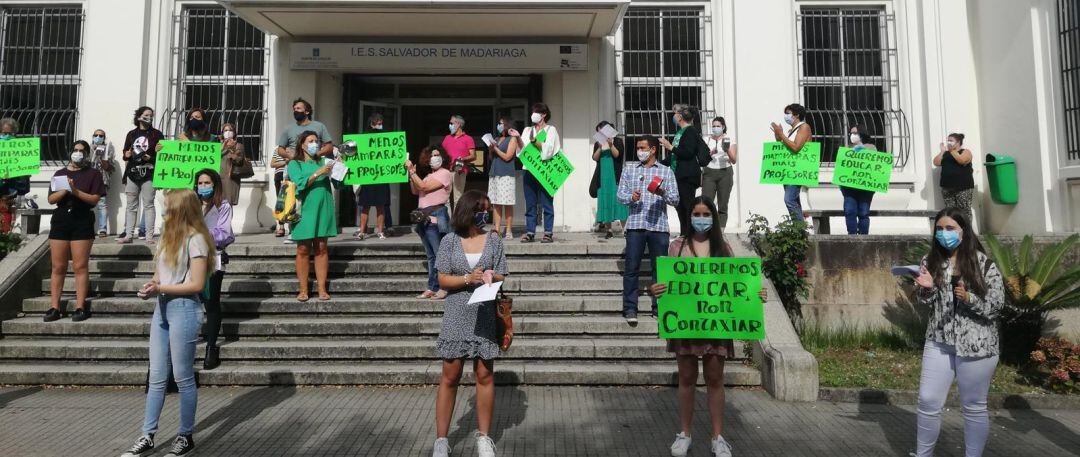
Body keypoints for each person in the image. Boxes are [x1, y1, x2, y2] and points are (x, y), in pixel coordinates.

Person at [651, 196, 767, 457]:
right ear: (689, 216)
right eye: (697, 214)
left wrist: (755, 294)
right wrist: (656, 290)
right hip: (686, 325)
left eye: (706, 214)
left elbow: (738, 285)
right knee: (686, 379)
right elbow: (668, 283)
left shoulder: (723, 248)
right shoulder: (676, 247)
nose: (701, 218)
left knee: (715, 379)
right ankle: (685, 434)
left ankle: (717, 437)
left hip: (716, 325)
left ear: (713, 217)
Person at [121, 189, 215, 457]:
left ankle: (185, 436)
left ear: (181, 209)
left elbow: (196, 284)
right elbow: (159, 275)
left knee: (183, 376)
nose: (163, 211)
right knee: (157, 376)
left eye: (168, 206)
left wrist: (160, 287)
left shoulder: (196, 240)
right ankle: (147, 435)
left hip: (184, 309)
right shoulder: (167, 237)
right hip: (162, 308)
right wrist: (151, 286)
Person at [912, 207, 1004, 457]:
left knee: (973, 406)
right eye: (940, 229)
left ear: (963, 231)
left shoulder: (984, 264)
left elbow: (996, 306)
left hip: (977, 346)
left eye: (950, 228)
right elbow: (925, 301)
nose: (944, 234)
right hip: (939, 341)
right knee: (928, 400)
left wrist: (969, 298)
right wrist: (927, 288)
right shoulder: (930, 261)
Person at [431, 190, 508, 457]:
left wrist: (490, 276)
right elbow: (442, 278)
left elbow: (502, 273)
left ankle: (484, 438)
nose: (484, 214)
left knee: (484, 375)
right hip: (456, 313)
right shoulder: (450, 240)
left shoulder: (493, 239)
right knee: (450, 376)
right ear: (467, 211)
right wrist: (467, 278)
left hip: (484, 312)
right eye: (479, 210)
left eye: (486, 209)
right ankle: (441, 440)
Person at [617, 135, 679, 324]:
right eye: (638, 148)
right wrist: (631, 197)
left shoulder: (666, 171)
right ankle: (630, 308)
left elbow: (675, 199)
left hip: (658, 226)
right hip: (635, 225)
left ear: (653, 150)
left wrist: (662, 192)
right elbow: (620, 195)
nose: (639, 151)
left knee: (659, 269)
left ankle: (659, 307)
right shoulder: (629, 169)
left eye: (642, 148)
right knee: (631, 268)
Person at [44, 140, 106, 323]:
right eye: (75, 150)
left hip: (82, 220)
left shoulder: (93, 174)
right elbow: (51, 199)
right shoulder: (60, 174)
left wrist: (75, 190)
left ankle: (80, 306)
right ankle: (55, 307)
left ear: (86, 154)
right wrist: (65, 190)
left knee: (80, 265)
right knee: (58, 266)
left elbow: (94, 199)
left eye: (82, 151)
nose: (78, 153)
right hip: (61, 220)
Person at [287, 131, 338, 302]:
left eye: (316, 141)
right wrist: (318, 173)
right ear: (302, 145)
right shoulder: (295, 164)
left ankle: (322, 288)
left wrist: (341, 167)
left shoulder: (324, 161)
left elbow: (339, 183)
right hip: (304, 209)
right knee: (303, 248)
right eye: (310, 141)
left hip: (323, 207)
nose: (314, 144)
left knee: (321, 247)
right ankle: (303, 289)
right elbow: (300, 184)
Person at [274, 99, 334, 242]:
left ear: (307, 111)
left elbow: (329, 146)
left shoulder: (319, 126)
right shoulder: (288, 129)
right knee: (292, 197)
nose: (296, 111)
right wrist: (292, 157)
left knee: (314, 196)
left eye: (299, 108)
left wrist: (317, 154)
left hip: (314, 164)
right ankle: (292, 229)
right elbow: (280, 149)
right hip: (295, 166)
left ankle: (317, 230)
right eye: (294, 108)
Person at [193, 169, 234, 370]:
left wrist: (201, 233)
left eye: (207, 183)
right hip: (192, 258)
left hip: (213, 258)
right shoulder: (191, 204)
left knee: (211, 302)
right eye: (200, 183)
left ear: (214, 184)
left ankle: (211, 347)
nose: (203, 187)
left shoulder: (222, 205)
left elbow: (224, 233)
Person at [406, 145, 453, 300]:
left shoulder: (445, 173)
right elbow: (415, 190)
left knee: (440, 255)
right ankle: (432, 287)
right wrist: (411, 174)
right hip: (423, 220)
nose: (435, 157)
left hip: (435, 219)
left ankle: (444, 286)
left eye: (438, 155)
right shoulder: (427, 176)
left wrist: (413, 173)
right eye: (432, 155)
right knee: (431, 256)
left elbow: (423, 187)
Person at [119, 106, 164, 244]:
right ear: (139, 116)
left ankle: (149, 236)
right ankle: (128, 235)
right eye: (146, 115)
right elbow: (125, 153)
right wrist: (126, 154)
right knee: (131, 205)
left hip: (149, 173)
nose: (149, 117)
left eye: (151, 115)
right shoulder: (131, 134)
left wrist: (153, 155)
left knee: (148, 204)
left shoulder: (157, 134)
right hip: (132, 173)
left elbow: (163, 156)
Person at [659, 104, 706, 235]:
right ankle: (684, 234)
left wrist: (670, 147)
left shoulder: (690, 131)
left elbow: (688, 153)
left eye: (675, 113)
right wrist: (658, 164)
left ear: (680, 117)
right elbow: (674, 156)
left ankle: (690, 235)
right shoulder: (680, 132)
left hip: (687, 176)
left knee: (687, 206)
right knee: (680, 207)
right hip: (678, 175)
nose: (673, 116)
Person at [519, 103, 560, 244]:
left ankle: (548, 232)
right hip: (529, 170)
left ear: (544, 114)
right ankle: (530, 232)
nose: (533, 115)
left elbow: (549, 150)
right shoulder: (527, 130)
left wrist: (535, 141)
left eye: (536, 112)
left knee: (546, 202)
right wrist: (517, 138)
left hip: (544, 170)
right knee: (530, 203)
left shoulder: (550, 130)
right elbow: (522, 149)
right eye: (533, 112)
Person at [770, 103, 813, 222]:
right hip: (789, 170)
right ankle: (799, 227)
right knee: (794, 200)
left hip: (797, 170)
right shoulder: (792, 130)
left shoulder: (804, 127)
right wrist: (778, 136)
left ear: (797, 114)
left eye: (788, 113)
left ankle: (800, 228)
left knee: (789, 199)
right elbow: (785, 148)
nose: (786, 116)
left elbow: (795, 147)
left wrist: (782, 135)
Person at [355, 113, 390, 240]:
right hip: (368, 176)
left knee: (381, 205)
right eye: (378, 123)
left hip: (381, 176)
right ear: (371, 123)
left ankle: (380, 231)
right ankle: (362, 231)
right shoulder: (364, 137)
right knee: (366, 206)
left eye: (381, 123)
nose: (380, 125)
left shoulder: (386, 137)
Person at [590, 121, 627, 239]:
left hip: (614, 176)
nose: (600, 133)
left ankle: (625, 229)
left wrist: (611, 145)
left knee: (619, 202)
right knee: (605, 201)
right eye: (599, 132)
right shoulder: (598, 143)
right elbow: (595, 158)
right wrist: (600, 147)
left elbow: (617, 155)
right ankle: (609, 230)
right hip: (602, 176)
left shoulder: (618, 141)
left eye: (602, 131)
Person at [840, 125, 879, 235]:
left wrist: (861, 150)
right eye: (851, 133)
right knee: (849, 211)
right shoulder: (847, 149)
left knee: (863, 213)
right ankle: (852, 237)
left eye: (855, 133)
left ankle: (863, 238)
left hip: (865, 188)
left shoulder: (871, 147)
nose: (852, 135)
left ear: (861, 134)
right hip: (849, 188)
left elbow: (874, 165)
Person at [701, 116, 738, 228]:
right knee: (706, 204)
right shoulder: (706, 139)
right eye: (714, 126)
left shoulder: (729, 139)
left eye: (718, 126)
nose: (715, 128)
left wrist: (727, 150)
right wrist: (711, 153)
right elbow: (702, 158)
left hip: (725, 172)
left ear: (723, 127)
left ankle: (720, 232)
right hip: (709, 172)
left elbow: (734, 160)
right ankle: (707, 230)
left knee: (723, 204)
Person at [933, 133, 975, 224]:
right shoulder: (946, 154)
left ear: (958, 142)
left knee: (964, 211)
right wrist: (942, 152)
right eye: (948, 140)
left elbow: (962, 160)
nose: (949, 142)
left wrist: (952, 151)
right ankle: (953, 229)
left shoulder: (965, 152)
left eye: (951, 141)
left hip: (963, 188)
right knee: (950, 212)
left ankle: (966, 231)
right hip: (947, 188)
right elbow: (936, 162)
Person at [488, 116, 519, 240]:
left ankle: (509, 230)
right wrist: (491, 150)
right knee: (496, 202)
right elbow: (491, 158)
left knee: (507, 203)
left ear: (507, 125)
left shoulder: (512, 139)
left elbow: (508, 157)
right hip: (495, 173)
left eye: (501, 123)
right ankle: (497, 229)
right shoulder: (497, 139)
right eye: (499, 123)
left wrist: (495, 149)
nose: (499, 126)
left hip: (506, 174)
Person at [441, 114, 476, 209]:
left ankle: (457, 218)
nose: (450, 125)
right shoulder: (447, 138)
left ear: (458, 124)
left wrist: (463, 159)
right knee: (445, 198)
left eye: (451, 123)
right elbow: (441, 153)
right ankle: (447, 218)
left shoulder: (468, 139)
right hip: (446, 171)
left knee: (458, 198)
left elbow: (473, 156)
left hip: (459, 171)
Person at [90, 129, 116, 237]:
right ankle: (87, 228)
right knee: (87, 205)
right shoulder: (88, 148)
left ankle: (102, 229)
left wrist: (102, 157)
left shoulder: (108, 149)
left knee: (102, 204)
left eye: (101, 136)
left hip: (102, 180)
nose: (98, 137)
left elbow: (110, 168)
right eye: (96, 135)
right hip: (88, 180)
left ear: (104, 138)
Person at [217, 123, 249, 206]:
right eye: (226, 130)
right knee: (217, 203)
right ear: (222, 133)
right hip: (218, 177)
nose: (228, 132)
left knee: (228, 204)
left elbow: (239, 161)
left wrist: (232, 149)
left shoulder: (238, 146)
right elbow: (213, 158)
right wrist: (222, 148)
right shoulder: (217, 146)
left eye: (230, 130)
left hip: (231, 178)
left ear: (234, 133)